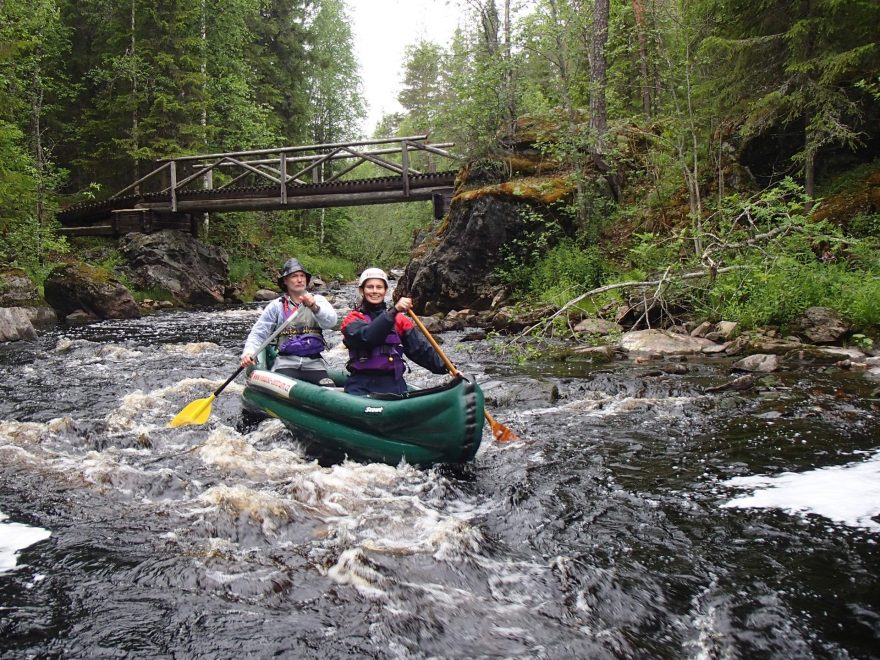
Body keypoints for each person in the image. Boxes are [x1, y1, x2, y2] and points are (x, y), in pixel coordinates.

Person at [341, 267, 448, 396]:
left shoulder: (400, 320)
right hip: (361, 384)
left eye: (379, 287)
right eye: (370, 287)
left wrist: (447, 367)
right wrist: (394, 310)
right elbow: (367, 337)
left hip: (394, 384)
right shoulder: (353, 319)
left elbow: (420, 350)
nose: (375, 291)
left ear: (385, 290)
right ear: (362, 290)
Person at [240, 258, 338, 386]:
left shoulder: (318, 300)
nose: (299, 280)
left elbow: (331, 322)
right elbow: (259, 333)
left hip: (314, 363)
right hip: (285, 362)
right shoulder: (276, 306)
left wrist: (314, 307)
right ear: (285, 281)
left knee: (329, 389)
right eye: (294, 276)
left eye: (302, 276)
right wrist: (248, 353)